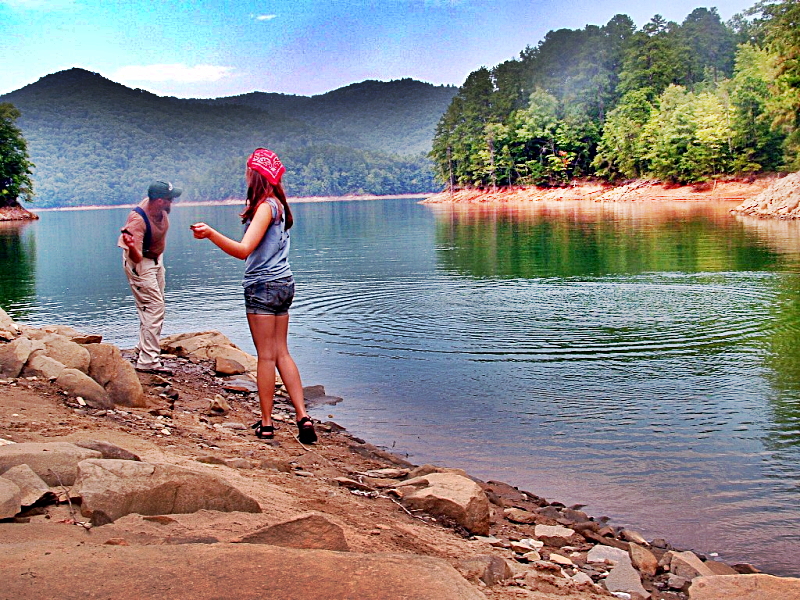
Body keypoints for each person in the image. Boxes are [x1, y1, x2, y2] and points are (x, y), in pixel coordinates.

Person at [190, 149, 317, 444]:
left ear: (255, 175)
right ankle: (303, 417)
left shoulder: (265, 208)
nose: (245, 175)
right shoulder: (279, 206)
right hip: (284, 283)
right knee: (282, 352)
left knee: (266, 356)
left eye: (248, 171)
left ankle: (267, 423)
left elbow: (243, 250)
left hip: (263, 286)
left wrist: (210, 233)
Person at [118, 180, 182, 374]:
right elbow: (135, 257)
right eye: (170, 199)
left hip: (156, 260)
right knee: (153, 308)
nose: (173, 203)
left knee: (153, 306)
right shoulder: (137, 220)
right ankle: (148, 361)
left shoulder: (158, 209)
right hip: (140, 263)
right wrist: (130, 245)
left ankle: (142, 350)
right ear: (160, 200)